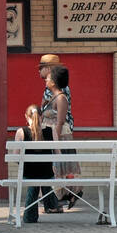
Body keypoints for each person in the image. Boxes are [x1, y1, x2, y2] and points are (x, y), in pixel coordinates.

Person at [42, 65, 80, 211]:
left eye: (49, 78)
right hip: (50, 136)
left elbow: (60, 121)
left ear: (55, 81)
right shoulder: (51, 97)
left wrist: (54, 141)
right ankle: (55, 201)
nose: (46, 79)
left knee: (59, 169)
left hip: (59, 136)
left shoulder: (61, 98)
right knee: (53, 170)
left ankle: (64, 197)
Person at [14, 104, 55, 222]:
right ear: (41, 117)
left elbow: (15, 156)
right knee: (44, 176)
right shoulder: (50, 131)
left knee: (35, 178)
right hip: (47, 173)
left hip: (28, 172)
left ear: (26, 117)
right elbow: (58, 154)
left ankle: (30, 216)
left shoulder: (21, 132)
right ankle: (52, 203)